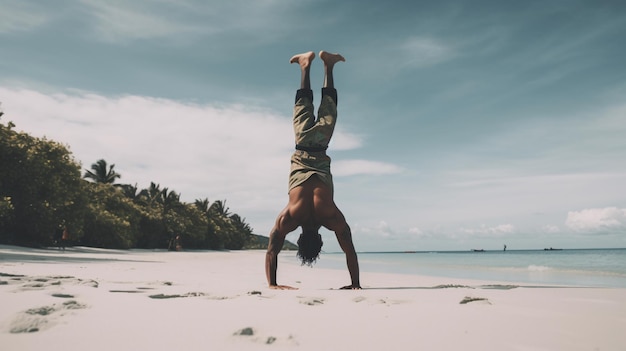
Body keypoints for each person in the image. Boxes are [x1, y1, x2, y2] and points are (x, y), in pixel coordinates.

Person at [265, 51, 361, 290]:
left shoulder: (331, 217)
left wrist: (356, 283)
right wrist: (272, 283)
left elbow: (350, 251)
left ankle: (328, 66)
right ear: (300, 238)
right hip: (301, 146)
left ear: (318, 239)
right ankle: (305, 66)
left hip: (320, 146)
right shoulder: (290, 217)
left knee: (328, 109)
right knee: (303, 106)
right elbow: (272, 251)